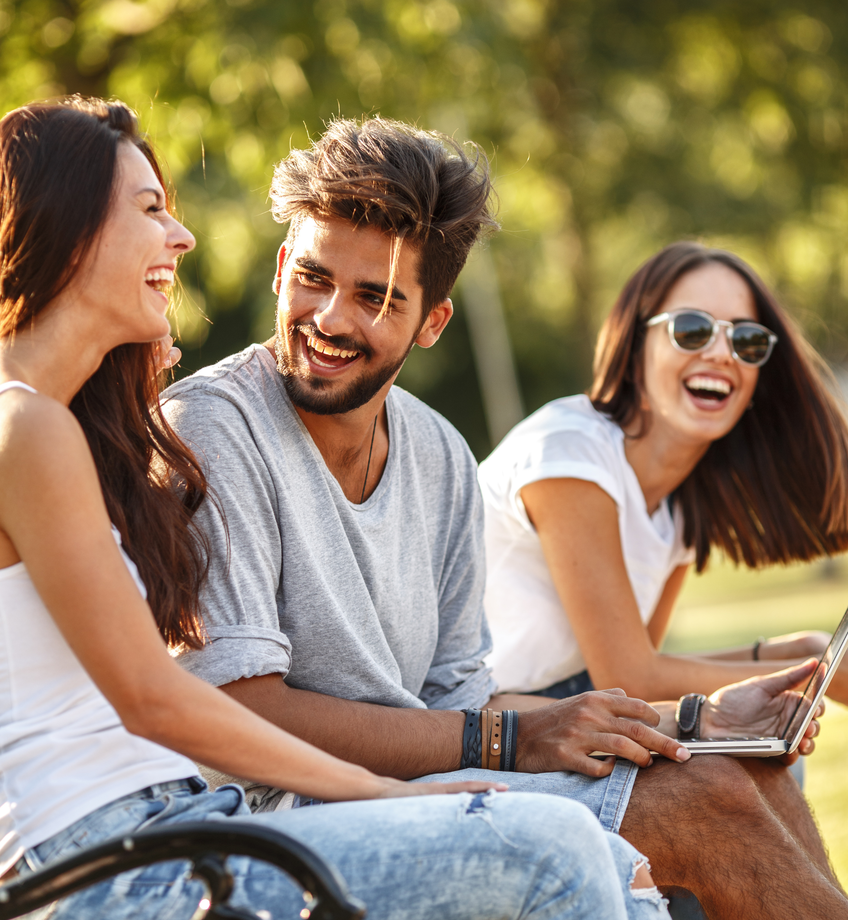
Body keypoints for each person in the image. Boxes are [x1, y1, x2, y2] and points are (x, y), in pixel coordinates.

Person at [0, 96, 674, 920]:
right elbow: (156, 698)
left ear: (431, 322)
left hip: (170, 828)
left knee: (606, 863)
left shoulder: (51, 423)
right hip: (107, 865)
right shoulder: (24, 425)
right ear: (70, 232)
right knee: (553, 847)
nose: (182, 237)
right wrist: (383, 792)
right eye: (151, 211)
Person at [164, 117, 848, 919]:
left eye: (377, 298)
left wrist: (694, 717)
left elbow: (466, 698)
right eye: (313, 278)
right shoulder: (211, 427)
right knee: (704, 809)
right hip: (282, 816)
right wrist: (507, 743)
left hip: (434, 785)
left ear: (431, 322)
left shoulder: (440, 454)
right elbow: (241, 707)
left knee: (739, 776)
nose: (331, 319)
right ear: (283, 266)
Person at [478, 241, 848, 706]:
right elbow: (632, 677)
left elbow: (642, 661)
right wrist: (809, 673)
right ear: (635, 353)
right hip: (473, 714)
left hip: (564, 700)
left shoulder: (681, 504)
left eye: (746, 340)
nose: (721, 353)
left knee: (773, 743)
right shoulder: (567, 454)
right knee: (744, 760)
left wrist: (804, 653)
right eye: (692, 330)